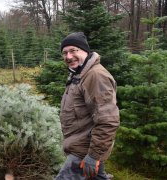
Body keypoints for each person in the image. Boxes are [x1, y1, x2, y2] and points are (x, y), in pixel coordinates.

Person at [55, 32, 120, 180]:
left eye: (73, 51)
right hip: (82, 148)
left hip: (84, 152)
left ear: (85, 51)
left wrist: (93, 156)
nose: (68, 56)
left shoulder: (95, 76)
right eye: (65, 53)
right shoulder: (79, 74)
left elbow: (108, 120)